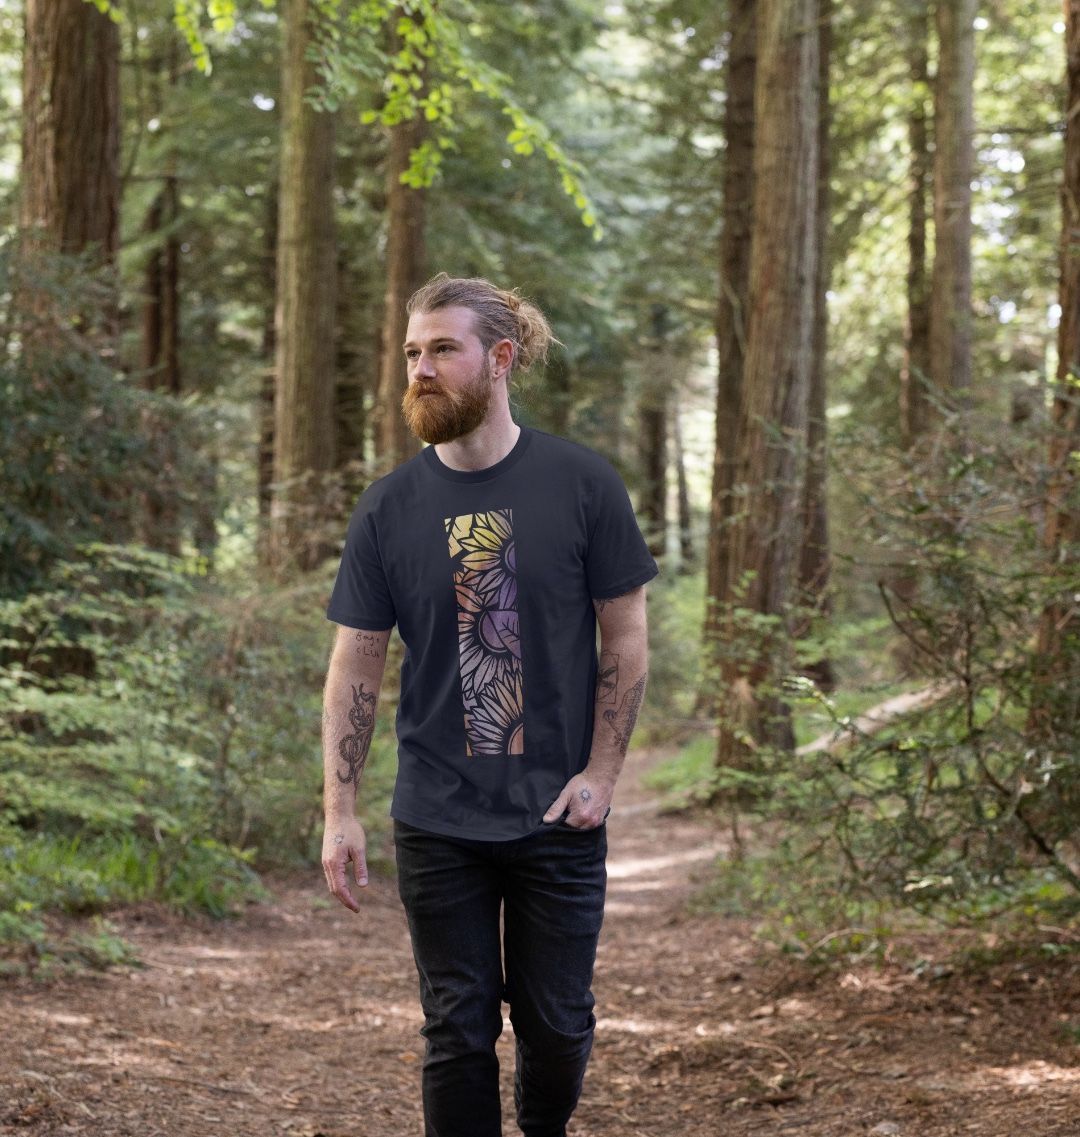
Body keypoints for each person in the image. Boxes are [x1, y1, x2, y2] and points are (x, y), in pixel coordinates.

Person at [320, 273, 658, 1137]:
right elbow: (357, 663)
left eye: (442, 349)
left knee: (557, 1025)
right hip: (438, 817)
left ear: (500, 359)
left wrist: (602, 774)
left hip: (558, 816)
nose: (420, 368)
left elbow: (623, 635)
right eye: (411, 351)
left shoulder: (582, 484)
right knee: (456, 1030)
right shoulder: (389, 509)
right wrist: (340, 809)